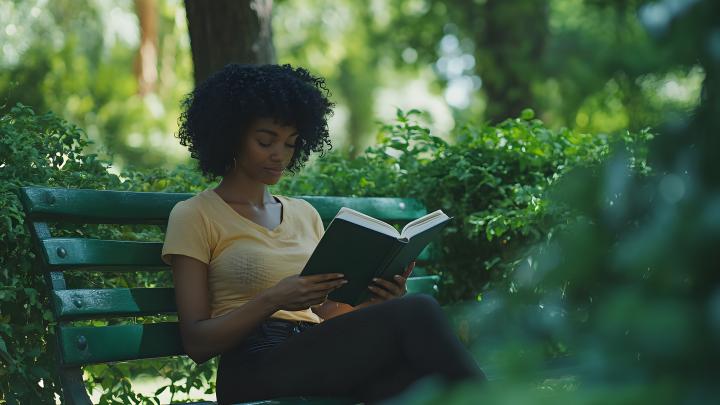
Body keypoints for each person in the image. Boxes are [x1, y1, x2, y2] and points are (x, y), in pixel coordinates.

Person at [161, 63, 485, 404]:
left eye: (290, 144)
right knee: (418, 311)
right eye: (265, 141)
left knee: (403, 382)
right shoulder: (195, 215)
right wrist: (274, 298)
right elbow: (197, 342)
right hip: (254, 365)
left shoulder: (304, 214)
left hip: (317, 353)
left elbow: (327, 315)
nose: (279, 155)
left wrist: (375, 300)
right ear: (230, 135)